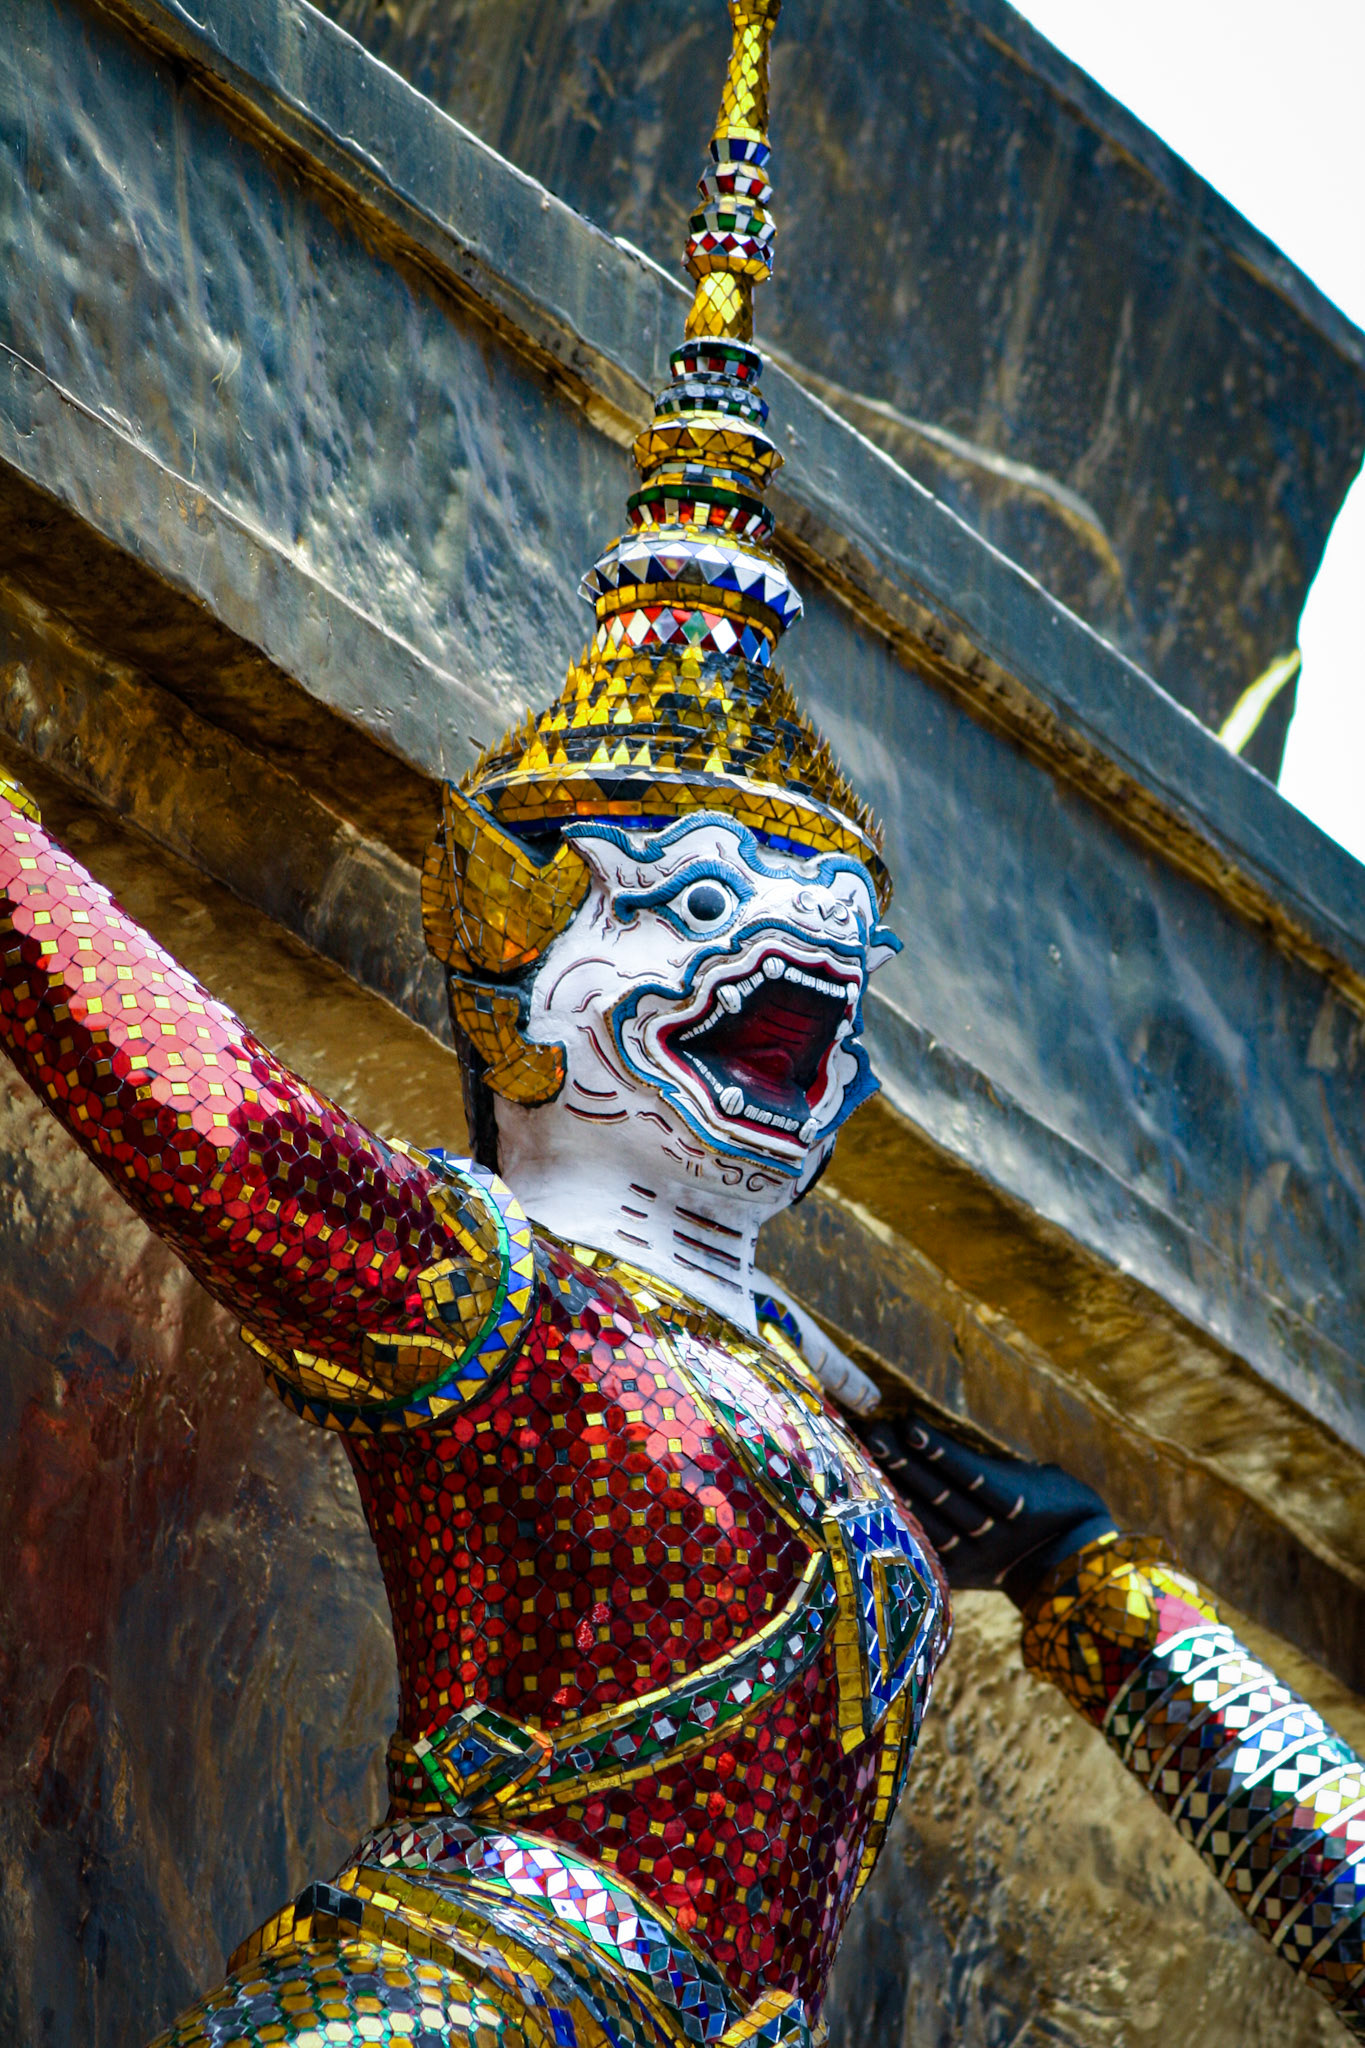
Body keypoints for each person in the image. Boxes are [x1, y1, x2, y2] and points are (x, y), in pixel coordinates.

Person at [3, 4, 1364, 2042]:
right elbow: (183, 1090)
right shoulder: (486, 1285)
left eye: (833, 935)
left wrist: (1081, 1566)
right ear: (527, 967)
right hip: (472, 1997)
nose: (798, 975)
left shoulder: (852, 1432)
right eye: (710, 912)